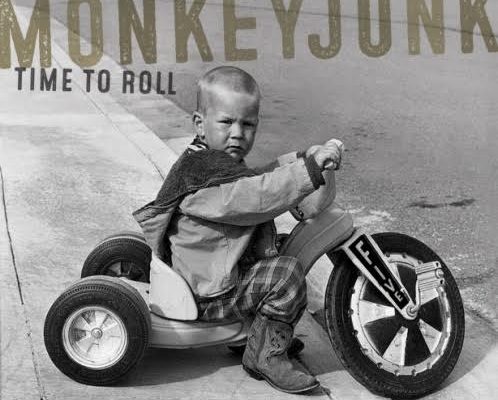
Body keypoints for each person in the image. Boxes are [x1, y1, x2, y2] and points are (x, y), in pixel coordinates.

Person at [133, 66, 343, 394]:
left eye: (247, 124)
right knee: (286, 275)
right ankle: (264, 355)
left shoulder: (208, 159)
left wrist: (300, 159)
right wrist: (308, 172)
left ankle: (258, 334)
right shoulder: (203, 179)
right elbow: (257, 195)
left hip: (213, 272)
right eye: (227, 122)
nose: (237, 133)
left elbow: (255, 179)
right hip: (209, 293)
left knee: (278, 247)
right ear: (200, 124)